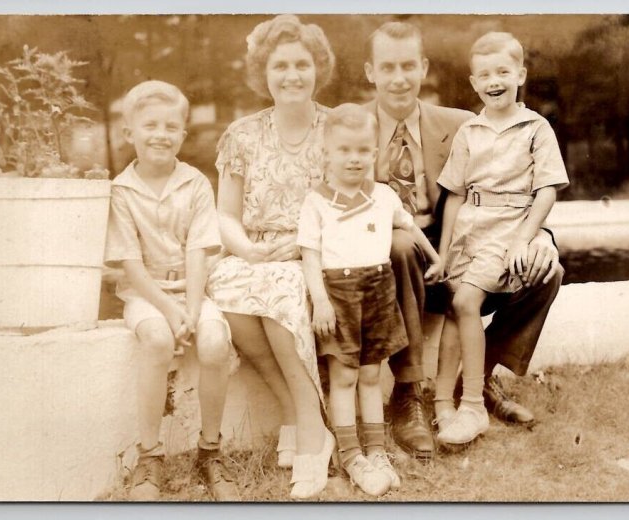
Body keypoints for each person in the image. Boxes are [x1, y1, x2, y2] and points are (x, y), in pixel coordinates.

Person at [363, 21, 564, 459]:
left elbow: (520, 186)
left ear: (423, 68)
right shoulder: (353, 128)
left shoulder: (462, 124)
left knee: (547, 271)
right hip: (394, 255)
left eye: (408, 66)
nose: (399, 77)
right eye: (387, 66)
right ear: (370, 71)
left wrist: (540, 238)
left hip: (464, 246)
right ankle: (408, 394)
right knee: (401, 246)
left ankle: (472, 383)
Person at [205, 15, 336, 499]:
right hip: (257, 250)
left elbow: (350, 202)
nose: (291, 76)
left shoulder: (335, 127)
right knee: (228, 290)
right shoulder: (241, 134)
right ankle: (300, 415)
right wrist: (249, 250)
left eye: (302, 64)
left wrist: (303, 247)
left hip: (316, 250)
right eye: (280, 65)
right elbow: (225, 215)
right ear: (263, 72)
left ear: (317, 68)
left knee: (281, 296)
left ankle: (309, 430)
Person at [298, 104, 443, 496]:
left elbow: (409, 228)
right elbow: (309, 255)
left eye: (363, 150)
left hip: (379, 292)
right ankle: (351, 454)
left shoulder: (383, 196)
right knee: (343, 376)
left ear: (373, 154)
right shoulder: (317, 203)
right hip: (339, 295)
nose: (354, 158)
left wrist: (435, 259)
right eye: (344, 150)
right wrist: (321, 302)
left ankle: (376, 451)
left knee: (370, 375)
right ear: (326, 153)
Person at [104, 80, 239, 501]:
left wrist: (194, 309)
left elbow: (199, 250)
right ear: (129, 133)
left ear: (183, 133)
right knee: (159, 340)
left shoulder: (196, 183)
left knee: (215, 342)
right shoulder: (122, 191)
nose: (160, 134)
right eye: (150, 126)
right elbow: (130, 264)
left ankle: (210, 450)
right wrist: (167, 308)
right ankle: (150, 455)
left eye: (170, 126)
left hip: (192, 289)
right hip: (145, 293)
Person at [433, 31, 570, 444]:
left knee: (466, 300)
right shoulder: (469, 132)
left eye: (503, 72)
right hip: (469, 229)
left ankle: (472, 403)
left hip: (511, 227)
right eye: (485, 74)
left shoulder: (535, 127)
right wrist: (443, 253)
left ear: (520, 75)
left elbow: (546, 188)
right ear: (474, 82)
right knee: (459, 310)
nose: (494, 81)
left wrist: (524, 239)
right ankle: (444, 404)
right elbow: (454, 195)